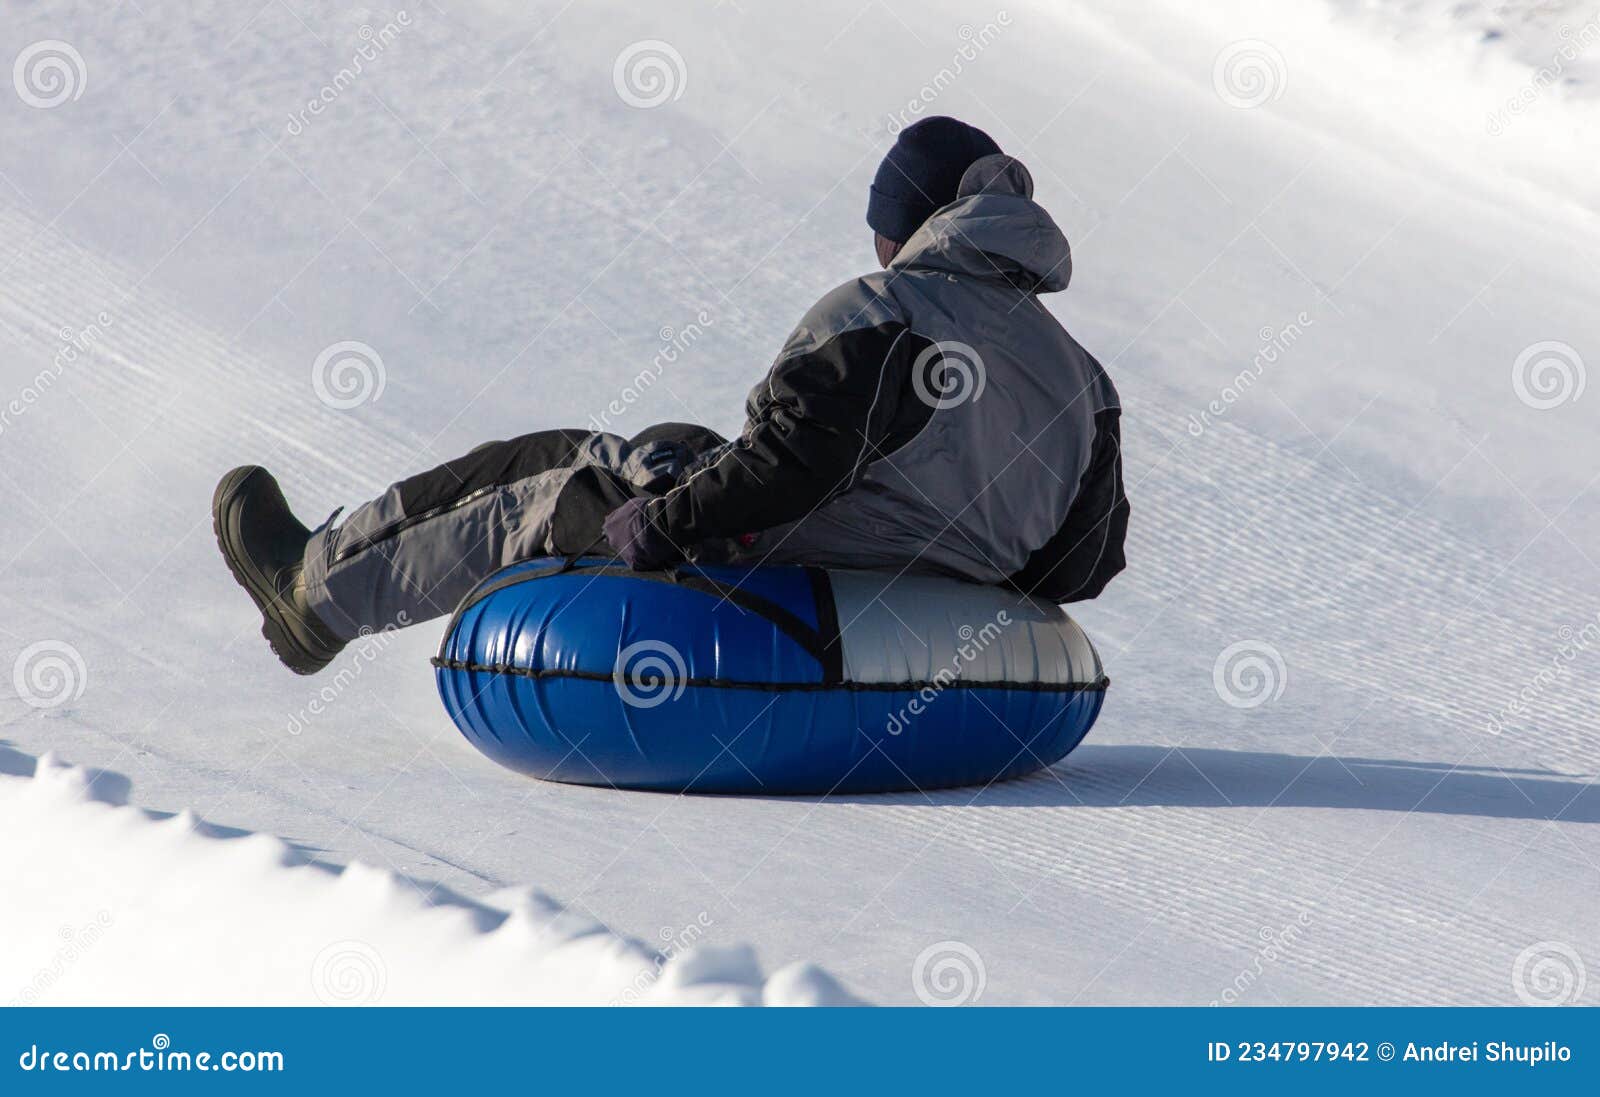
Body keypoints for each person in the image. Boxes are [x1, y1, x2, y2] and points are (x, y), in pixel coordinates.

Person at [212, 116, 1128, 675]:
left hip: (803, 557)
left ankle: (313, 593)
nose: (878, 249)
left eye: (882, 228)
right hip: (922, 601)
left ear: (912, 224)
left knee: (572, 472)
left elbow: (792, 465)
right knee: (676, 439)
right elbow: (1077, 566)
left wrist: (669, 524)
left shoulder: (888, 314)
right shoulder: (1084, 381)